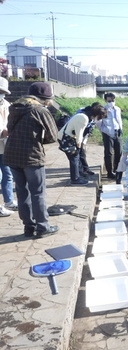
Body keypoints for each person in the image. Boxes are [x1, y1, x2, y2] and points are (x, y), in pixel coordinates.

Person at [3, 82, 60, 238]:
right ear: (45, 98)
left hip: (12, 155)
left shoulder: (14, 107)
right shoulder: (41, 110)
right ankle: (43, 227)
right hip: (32, 156)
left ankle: (29, 227)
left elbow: (10, 128)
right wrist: (38, 141)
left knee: (22, 192)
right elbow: (53, 136)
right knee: (38, 193)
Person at [58, 103, 106, 185]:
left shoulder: (86, 116)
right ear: (97, 114)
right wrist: (79, 143)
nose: (99, 119)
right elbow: (79, 133)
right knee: (74, 158)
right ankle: (75, 179)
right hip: (66, 139)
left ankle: (78, 175)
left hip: (68, 137)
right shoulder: (84, 118)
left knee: (76, 157)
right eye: (100, 117)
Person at [0, 77, 17, 216]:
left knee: (7, 174)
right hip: (2, 139)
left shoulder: (6, 103)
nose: (1, 94)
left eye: (2, 92)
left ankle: (9, 201)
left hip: (3, 145)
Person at [96, 92, 122, 179]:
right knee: (109, 153)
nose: (111, 102)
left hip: (117, 131)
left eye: (113, 100)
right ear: (106, 100)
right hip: (107, 133)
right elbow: (98, 122)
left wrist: (120, 128)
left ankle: (117, 169)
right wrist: (103, 130)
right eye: (109, 100)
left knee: (119, 152)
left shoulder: (117, 109)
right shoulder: (103, 109)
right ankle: (109, 172)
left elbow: (119, 120)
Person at [77, 102, 100, 177]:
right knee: (79, 154)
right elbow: (79, 128)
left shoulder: (91, 116)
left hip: (83, 135)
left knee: (82, 153)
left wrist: (89, 132)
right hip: (77, 136)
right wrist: (79, 140)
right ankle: (81, 171)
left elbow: (90, 126)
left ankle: (84, 170)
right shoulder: (84, 115)